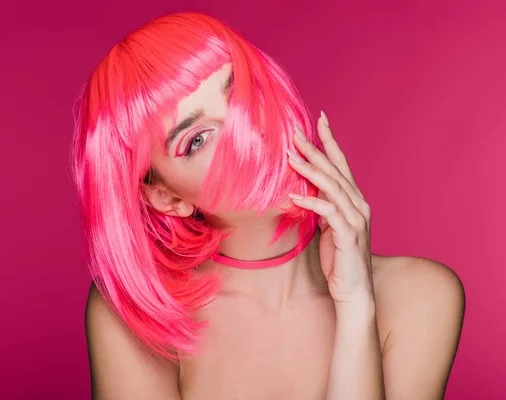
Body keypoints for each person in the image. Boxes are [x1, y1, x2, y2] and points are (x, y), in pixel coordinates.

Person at [72, 11, 465, 400]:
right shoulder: (136, 314)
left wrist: (356, 306)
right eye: (197, 139)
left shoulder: (422, 298)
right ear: (169, 198)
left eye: (245, 92)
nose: (252, 131)